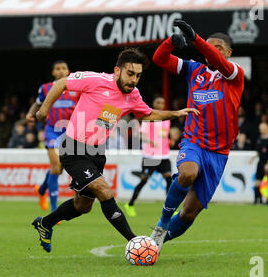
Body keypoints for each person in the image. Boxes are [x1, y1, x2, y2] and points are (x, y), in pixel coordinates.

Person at [32, 47, 198, 253]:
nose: (134, 80)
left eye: (138, 75)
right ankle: (137, 243)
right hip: (73, 148)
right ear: (117, 71)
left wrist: (177, 113)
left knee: (82, 206)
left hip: (96, 152)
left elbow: (147, 114)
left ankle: (45, 223)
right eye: (130, 74)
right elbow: (62, 83)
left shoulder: (133, 95)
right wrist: (44, 109)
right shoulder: (95, 80)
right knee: (104, 190)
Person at [150, 20, 245, 252]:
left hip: (219, 153)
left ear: (228, 53)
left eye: (218, 48)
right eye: (208, 47)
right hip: (194, 141)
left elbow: (216, 59)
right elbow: (159, 59)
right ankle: (162, 222)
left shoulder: (234, 74)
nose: (211, 52)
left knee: (189, 214)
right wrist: (171, 42)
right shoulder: (194, 69)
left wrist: (197, 40)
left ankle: (154, 244)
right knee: (188, 173)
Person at [26, 60, 79, 211]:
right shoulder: (46, 88)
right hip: (52, 131)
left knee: (59, 168)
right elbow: (38, 103)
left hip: (70, 133)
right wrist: (30, 114)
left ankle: (41, 190)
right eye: (58, 68)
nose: (61, 71)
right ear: (53, 72)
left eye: (64, 68)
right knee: (56, 167)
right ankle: (54, 210)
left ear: (69, 71)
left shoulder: (77, 89)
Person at [124, 96, 173, 217]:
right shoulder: (149, 118)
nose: (161, 104)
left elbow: (164, 135)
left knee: (169, 180)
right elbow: (141, 135)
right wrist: (151, 142)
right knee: (144, 180)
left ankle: (169, 209)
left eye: (162, 102)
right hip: (150, 155)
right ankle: (130, 204)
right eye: (158, 102)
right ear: (153, 104)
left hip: (164, 155)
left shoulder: (167, 119)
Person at [249, 122, 268, 204]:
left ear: (267, 128)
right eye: (260, 128)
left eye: (263, 128)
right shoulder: (259, 139)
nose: (261, 130)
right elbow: (259, 151)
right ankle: (257, 199)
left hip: (267, 163)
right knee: (257, 181)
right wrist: (253, 158)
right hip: (260, 163)